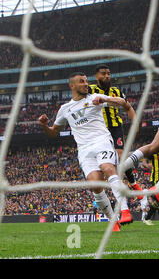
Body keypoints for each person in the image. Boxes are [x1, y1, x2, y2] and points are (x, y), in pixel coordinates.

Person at [38, 72, 134, 231]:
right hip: (84, 149)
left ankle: (124, 210)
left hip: (102, 141)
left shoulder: (94, 97)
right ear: (72, 86)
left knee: (108, 168)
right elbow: (53, 132)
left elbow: (123, 103)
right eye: (81, 82)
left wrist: (105, 98)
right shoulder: (65, 109)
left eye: (86, 81)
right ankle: (113, 222)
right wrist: (43, 125)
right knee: (95, 185)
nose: (85, 84)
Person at [88, 65, 144, 200]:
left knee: (121, 155)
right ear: (96, 76)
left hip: (115, 127)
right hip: (100, 130)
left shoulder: (116, 91)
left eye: (108, 73)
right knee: (108, 162)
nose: (107, 76)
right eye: (103, 74)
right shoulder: (90, 90)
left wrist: (135, 123)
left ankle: (133, 183)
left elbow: (128, 108)